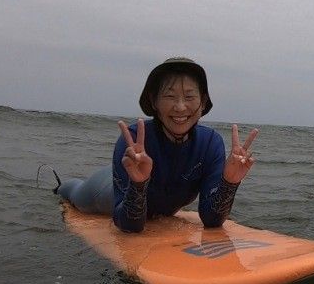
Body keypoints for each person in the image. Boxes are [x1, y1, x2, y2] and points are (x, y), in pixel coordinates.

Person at [56, 57, 258, 233]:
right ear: (154, 101)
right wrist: (138, 184)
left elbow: (212, 220)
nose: (180, 107)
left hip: (143, 189)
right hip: (104, 189)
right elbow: (129, 226)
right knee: (74, 194)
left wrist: (229, 182)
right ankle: (59, 187)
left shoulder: (210, 144)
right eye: (169, 96)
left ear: (203, 102)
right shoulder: (133, 140)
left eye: (189, 97)